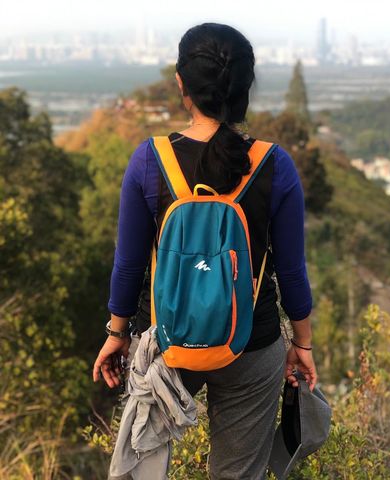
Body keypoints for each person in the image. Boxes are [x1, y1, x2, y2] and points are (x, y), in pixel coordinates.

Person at [92, 22, 317, 479]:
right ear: (243, 89)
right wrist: (304, 344)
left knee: (141, 464)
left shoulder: (150, 160)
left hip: (168, 340)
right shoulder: (275, 164)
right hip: (252, 343)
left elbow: (129, 263)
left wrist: (117, 331)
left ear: (182, 84)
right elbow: (292, 271)